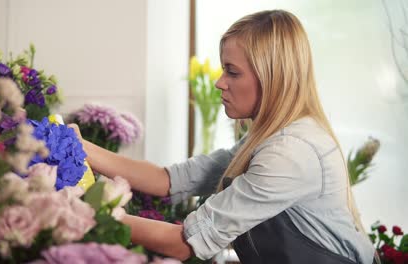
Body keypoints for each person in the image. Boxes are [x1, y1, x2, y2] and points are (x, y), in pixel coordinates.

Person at [69, 9, 376, 264]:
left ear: (272, 77)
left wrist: (80, 213)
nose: (219, 82)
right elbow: (168, 180)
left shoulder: (290, 152)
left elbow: (186, 243)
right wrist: (79, 147)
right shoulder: (268, 137)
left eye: (232, 71)